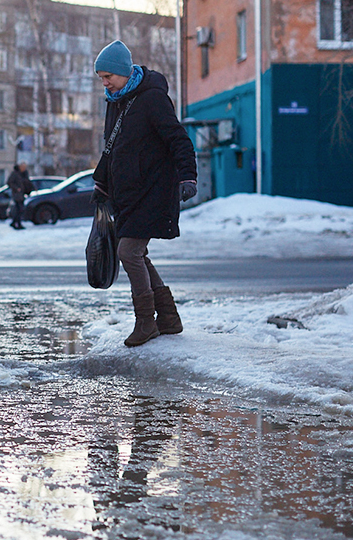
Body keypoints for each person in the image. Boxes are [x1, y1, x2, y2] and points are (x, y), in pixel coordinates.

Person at [90, 40, 197, 347]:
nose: (105, 81)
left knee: (129, 252)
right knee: (137, 254)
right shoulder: (116, 101)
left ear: (124, 72)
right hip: (127, 194)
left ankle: (145, 323)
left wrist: (187, 176)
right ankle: (168, 318)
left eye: (109, 75)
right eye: (101, 77)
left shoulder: (152, 99)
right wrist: (101, 183)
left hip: (153, 190)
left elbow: (178, 139)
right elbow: (112, 149)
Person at [6, 163, 33, 229]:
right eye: (23, 167)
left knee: (20, 210)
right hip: (17, 195)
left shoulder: (24, 174)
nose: (24, 169)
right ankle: (18, 224)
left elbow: (27, 182)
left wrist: (32, 188)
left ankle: (14, 223)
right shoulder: (15, 173)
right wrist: (16, 188)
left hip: (22, 194)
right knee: (19, 209)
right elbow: (9, 182)